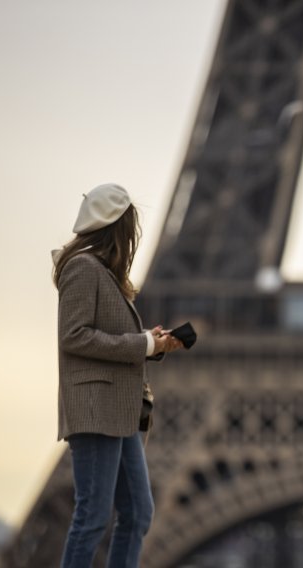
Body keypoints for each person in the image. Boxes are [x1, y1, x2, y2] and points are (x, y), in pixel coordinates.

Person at [53, 184, 183, 567]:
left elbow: (106, 338)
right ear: (116, 227)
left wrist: (152, 345)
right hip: (96, 411)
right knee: (92, 517)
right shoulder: (81, 268)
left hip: (119, 412)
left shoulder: (104, 274)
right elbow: (73, 336)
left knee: (138, 513)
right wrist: (142, 344)